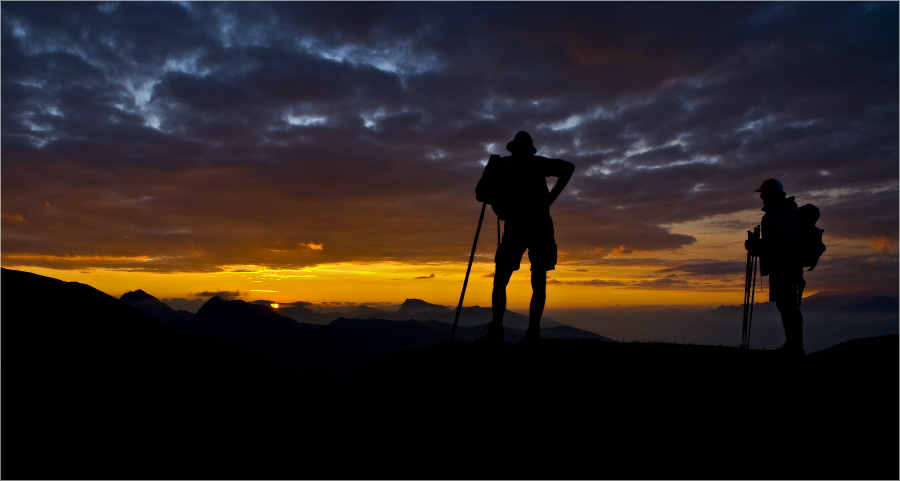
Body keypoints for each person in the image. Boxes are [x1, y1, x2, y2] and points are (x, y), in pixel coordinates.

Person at [475, 131, 574, 344]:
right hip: (539, 224)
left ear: (513, 148)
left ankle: (496, 329)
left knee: (501, 279)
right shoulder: (536, 163)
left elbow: (481, 194)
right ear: (529, 148)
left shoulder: (502, 166)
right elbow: (568, 167)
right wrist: (550, 199)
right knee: (538, 280)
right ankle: (532, 332)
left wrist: (490, 172)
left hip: (515, 225)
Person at [745, 178, 805, 357]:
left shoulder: (784, 212)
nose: (761, 196)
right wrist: (759, 246)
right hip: (780, 265)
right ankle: (792, 345)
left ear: (772, 193)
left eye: (764, 193)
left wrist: (760, 245)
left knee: (788, 305)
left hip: (786, 265)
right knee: (784, 305)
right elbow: (778, 241)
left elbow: (785, 240)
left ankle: (794, 347)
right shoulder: (777, 212)